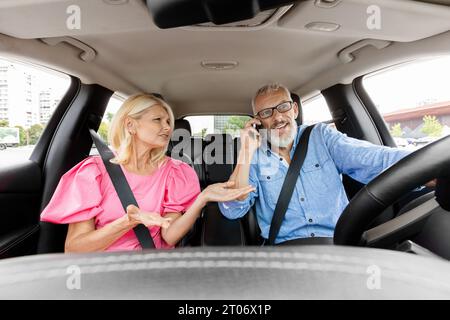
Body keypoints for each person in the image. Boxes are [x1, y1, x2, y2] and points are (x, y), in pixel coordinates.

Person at [40, 93, 254, 252]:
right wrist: (127, 222)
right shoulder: (93, 173)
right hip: (103, 273)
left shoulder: (176, 172)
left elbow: (169, 237)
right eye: (158, 120)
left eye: (169, 121)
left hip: (152, 268)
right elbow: (74, 249)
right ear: (131, 124)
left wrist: (202, 198)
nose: (168, 127)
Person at [218, 83, 415, 245]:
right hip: (284, 251)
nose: (277, 117)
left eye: (283, 107)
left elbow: (375, 159)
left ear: (294, 109)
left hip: (339, 244)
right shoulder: (254, 156)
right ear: (258, 121)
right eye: (267, 113)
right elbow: (233, 209)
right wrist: (245, 152)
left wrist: (427, 165)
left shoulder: (322, 136)